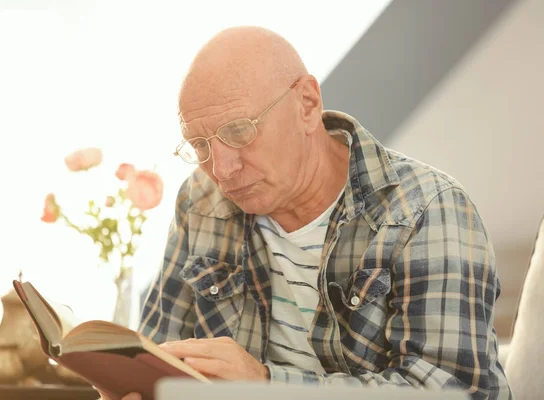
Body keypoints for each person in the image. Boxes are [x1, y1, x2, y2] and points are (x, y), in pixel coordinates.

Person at [101, 26, 511, 399]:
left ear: (307, 104)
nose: (222, 170)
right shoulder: (201, 201)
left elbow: (457, 392)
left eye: (239, 131)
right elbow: (156, 351)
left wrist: (264, 386)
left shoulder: (428, 211)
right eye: (200, 146)